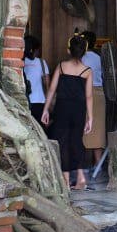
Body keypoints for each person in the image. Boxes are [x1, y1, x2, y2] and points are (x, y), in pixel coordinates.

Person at [41, 33, 93, 190]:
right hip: (79, 109)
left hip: (62, 108)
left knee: (62, 142)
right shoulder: (87, 71)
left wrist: (45, 110)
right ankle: (81, 178)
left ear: (69, 51)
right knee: (77, 141)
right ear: (84, 52)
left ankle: (65, 181)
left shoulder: (62, 67)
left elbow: (51, 90)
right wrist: (90, 118)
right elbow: (89, 96)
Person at [81, 30, 106, 166]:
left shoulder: (80, 58)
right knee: (98, 131)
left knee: (83, 128)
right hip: (99, 93)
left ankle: (82, 166)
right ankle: (98, 164)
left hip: (84, 93)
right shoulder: (99, 58)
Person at [23, 35, 50, 133]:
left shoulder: (20, 62)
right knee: (40, 130)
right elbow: (47, 83)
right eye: (37, 50)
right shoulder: (42, 62)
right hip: (39, 101)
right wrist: (48, 100)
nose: (38, 52)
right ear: (33, 49)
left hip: (23, 100)